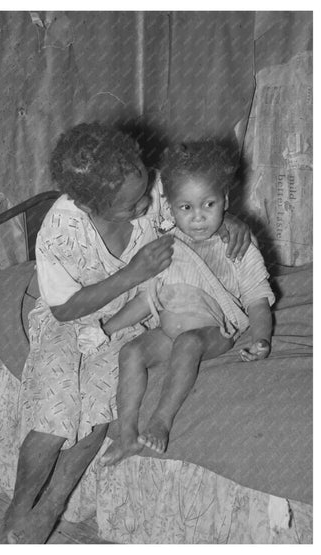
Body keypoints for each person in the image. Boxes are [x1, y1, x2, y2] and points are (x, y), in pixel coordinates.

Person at [1, 125, 251, 543]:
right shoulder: (61, 230)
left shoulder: (150, 190)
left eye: (144, 195)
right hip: (68, 318)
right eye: (129, 206)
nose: (144, 206)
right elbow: (64, 309)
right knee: (55, 420)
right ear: (87, 204)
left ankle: (51, 506)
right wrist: (132, 273)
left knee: (97, 411)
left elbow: (194, 209)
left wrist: (231, 223)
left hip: (135, 315)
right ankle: (19, 505)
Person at [100, 141, 275, 466]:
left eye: (208, 204)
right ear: (169, 207)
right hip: (167, 331)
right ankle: (126, 434)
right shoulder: (166, 245)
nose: (198, 218)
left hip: (212, 332)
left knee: (187, 342)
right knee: (131, 352)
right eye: (186, 208)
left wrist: (260, 338)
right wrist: (106, 329)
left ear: (225, 200)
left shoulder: (237, 247)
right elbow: (147, 298)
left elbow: (258, 299)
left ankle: (161, 421)